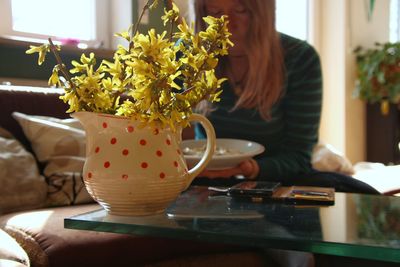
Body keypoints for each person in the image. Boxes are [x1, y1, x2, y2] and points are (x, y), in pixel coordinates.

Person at [190, 0, 379, 195]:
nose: (226, 24)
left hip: (276, 184)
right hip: (203, 183)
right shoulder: (187, 56)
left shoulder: (299, 59)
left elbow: (299, 156)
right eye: (214, 12)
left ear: (264, 13)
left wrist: (252, 169)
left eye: (240, 11)